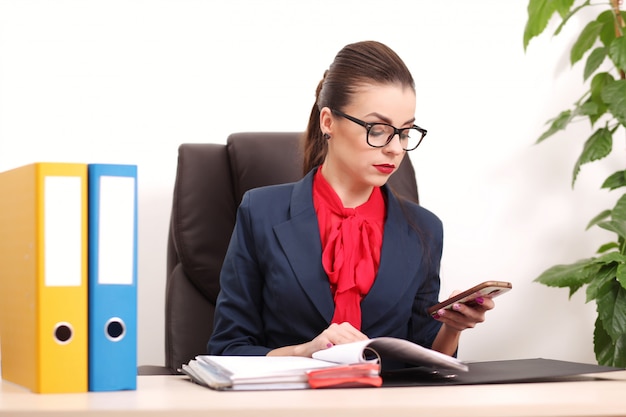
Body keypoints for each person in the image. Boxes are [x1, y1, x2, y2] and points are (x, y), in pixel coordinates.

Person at [207, 40, 494, 363]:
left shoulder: (424, 229)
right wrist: (304, 352)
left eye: (404, 133)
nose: (394, 149)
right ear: (328, 121)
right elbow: (227, 350)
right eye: (378, 129)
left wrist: (452, 328)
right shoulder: (260, 212)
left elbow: (424, 361)